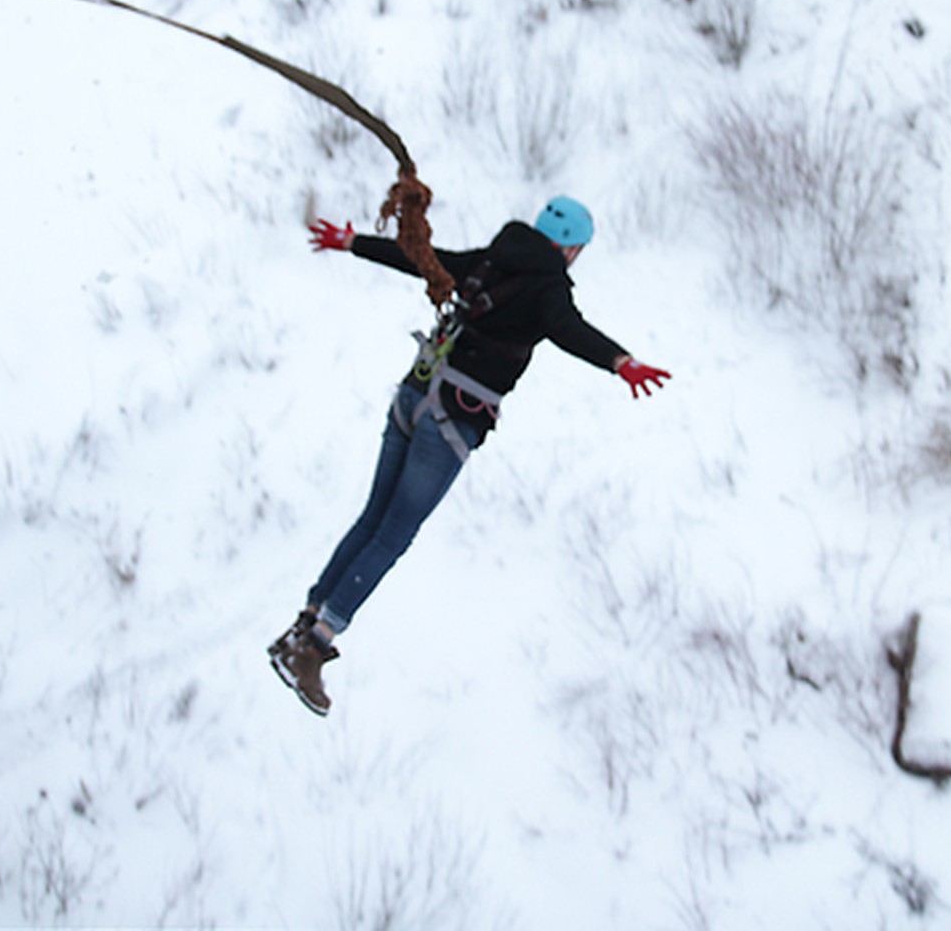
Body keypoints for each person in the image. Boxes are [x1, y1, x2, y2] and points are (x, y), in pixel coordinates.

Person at [269, 196, 671, 715]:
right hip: (452, 418)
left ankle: (304, 625)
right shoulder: (549, 291)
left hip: (413, 396)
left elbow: (425, 259)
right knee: (393, 534)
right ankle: (315, 644)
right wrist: (621, 362)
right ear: (571, 248)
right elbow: (572, 333)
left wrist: (352, 243)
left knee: (373, 520)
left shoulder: (493, 257)